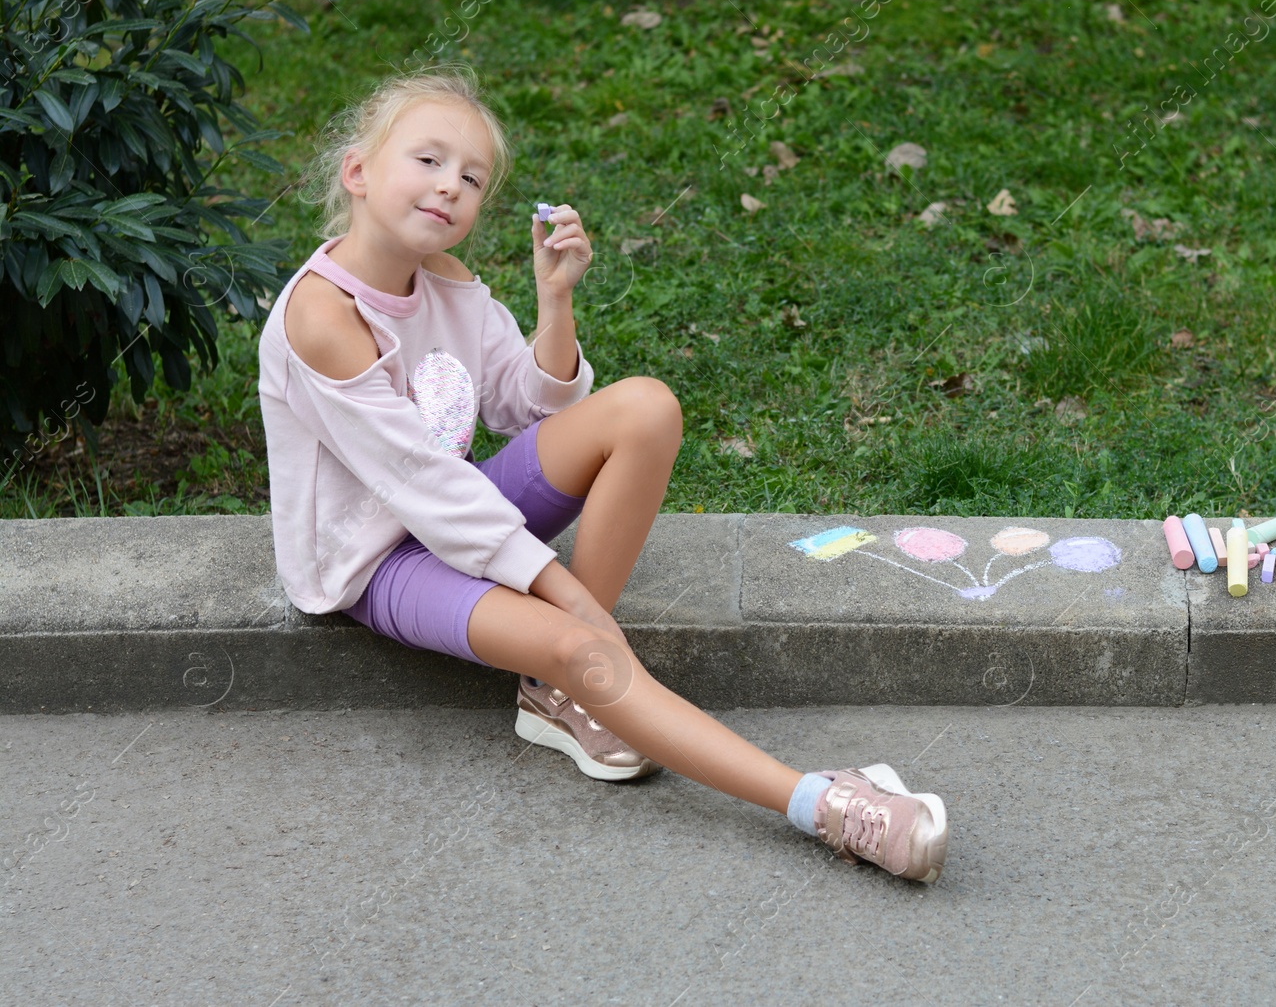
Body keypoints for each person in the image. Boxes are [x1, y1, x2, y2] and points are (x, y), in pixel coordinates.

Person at [255, 65, 948, 884]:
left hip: (455, 509)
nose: (450, 188)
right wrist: (570, 600)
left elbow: (526, 404)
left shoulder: (442, 275)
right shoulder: (323, 317)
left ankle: (558, 694)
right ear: (359, 172)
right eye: (428, 160)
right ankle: (824, 805)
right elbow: (424, 489)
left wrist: (555, 304)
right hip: (378, 559)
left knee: (645, 407)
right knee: (578, 640)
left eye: (472, 177)